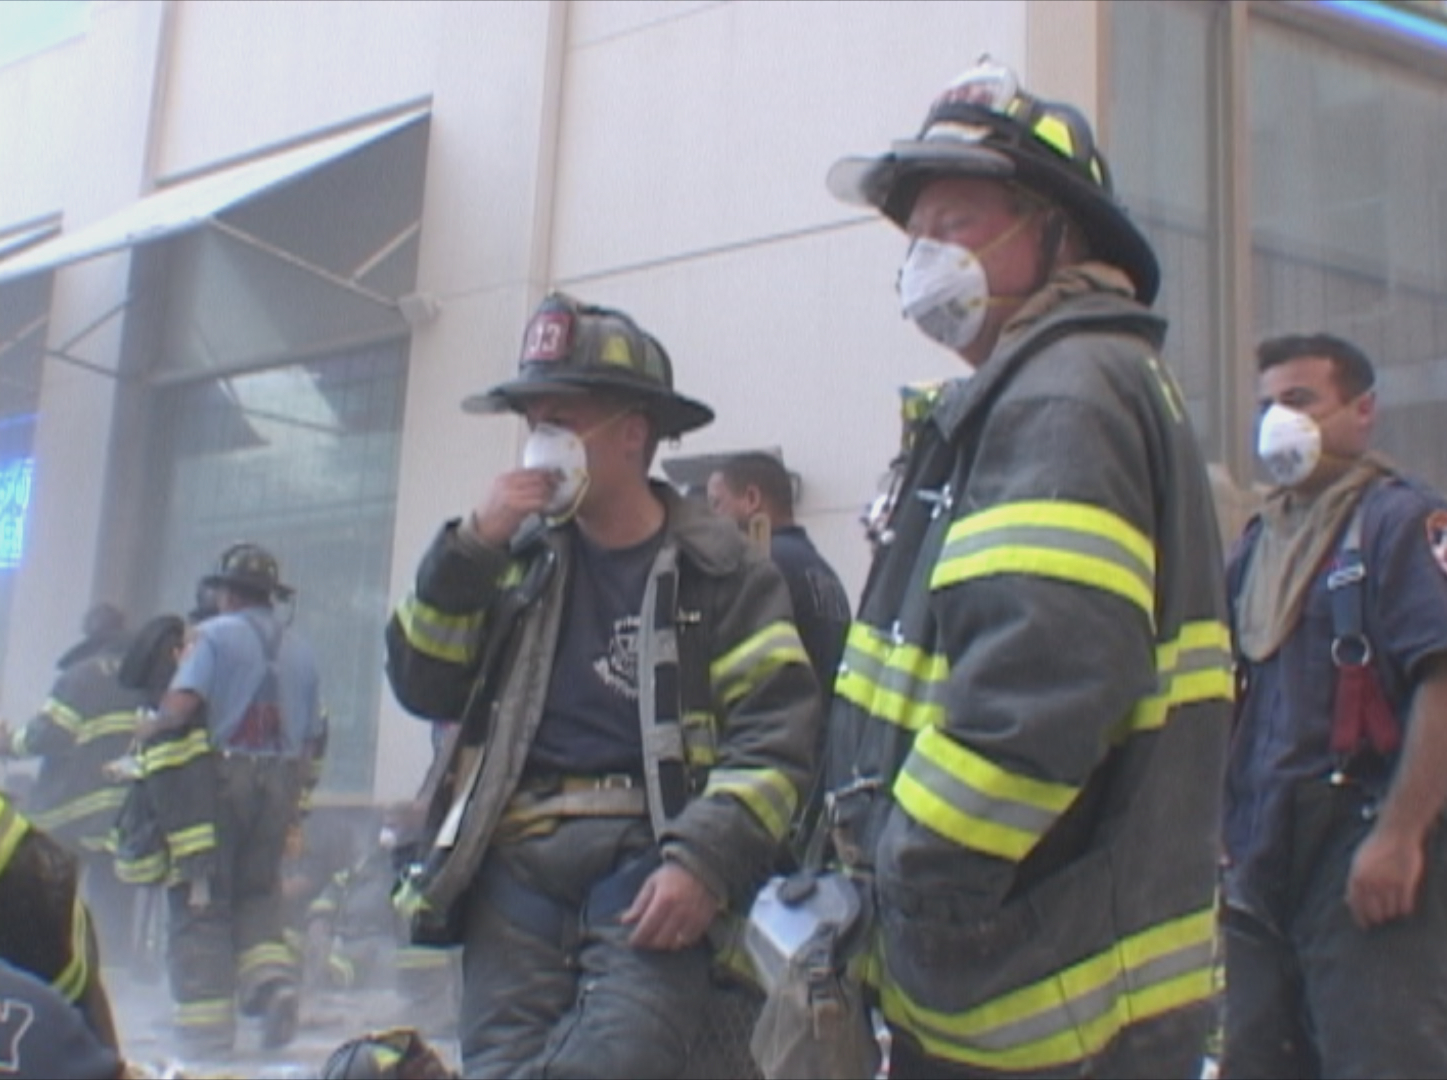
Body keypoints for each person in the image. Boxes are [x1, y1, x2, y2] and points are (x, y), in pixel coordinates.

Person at [816, 56, 1233, 1078]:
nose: (924, 259)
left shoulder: (1063, 393)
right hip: (1034, 967)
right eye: (915, 236)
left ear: (1057, 233)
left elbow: (1037, 691)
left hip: (1040, 995)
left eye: (954, 225)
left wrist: (913, 880)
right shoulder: (1040, 387)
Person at [385, 291, 820, 1078]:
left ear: (632, 433)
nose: (540, 442)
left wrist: (702, 861)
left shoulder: (725, 574)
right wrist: (467, 552)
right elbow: (424, 685)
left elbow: (776, 739)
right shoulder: (509, 557)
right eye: (533, 420)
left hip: (646, 862)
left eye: (562, 418)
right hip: (513, 863)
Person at [1220, 333, 1447, 1077]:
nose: (1276, 423)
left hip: (1362, 856)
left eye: (1298, 400)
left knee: (1379, 1057)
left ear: (1362, 411)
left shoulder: (1402, 524)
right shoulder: (1259, 545)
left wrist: (1399, 837)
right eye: (1265, 406)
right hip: (1259, 866)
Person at [137, 543, 325, 1055]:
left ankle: (205, 1033)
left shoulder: (213, 636)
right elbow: (311, 739)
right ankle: (273, 985)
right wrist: (294, 804)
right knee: (258, 895)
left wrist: (148, 727)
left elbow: (182, 706)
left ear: (227, 593)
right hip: (281, 784)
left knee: (203, 898)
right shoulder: (302, 650)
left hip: (220, 784)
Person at [0, 618, 149, 969]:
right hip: (123, 813)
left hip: (72, 811)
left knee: (55, 894)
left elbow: (50, 735)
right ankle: (113, 971)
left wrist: (8, 743)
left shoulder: (80, 676)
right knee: (114, 896)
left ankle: (57, 965)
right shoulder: (145, 680)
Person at [706, 452, 851, 697]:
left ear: (751, 499)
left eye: (717, 504)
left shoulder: (759, 565)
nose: (712, 520)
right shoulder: (823, 571)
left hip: (783, 717)